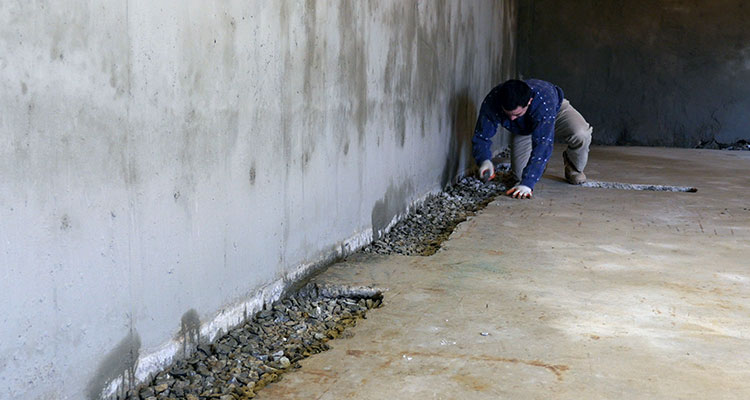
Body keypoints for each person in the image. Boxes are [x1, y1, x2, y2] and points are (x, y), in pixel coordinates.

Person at [471, 79, 592, 199]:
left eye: (517, 114)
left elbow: (543, 144)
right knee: (519, 176)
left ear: (529, 101)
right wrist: (484, 160)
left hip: (555, 112)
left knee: (581, 134)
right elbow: (482, 135)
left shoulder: (544, 100)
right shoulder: (494, 100)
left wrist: (527, 183)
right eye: (508, 114)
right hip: (524, 128)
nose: (512, 119)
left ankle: (573, 168)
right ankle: (540, 167)